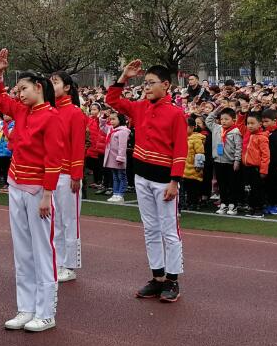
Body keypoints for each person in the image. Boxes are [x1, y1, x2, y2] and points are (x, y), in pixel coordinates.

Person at [0, 48, 65, 332]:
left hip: (37, 190)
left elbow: (53, 158)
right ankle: (26, 307)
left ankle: (46, 312)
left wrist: (47, 194)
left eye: (23, 88)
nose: (18, 94)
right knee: (22, 250)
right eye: (17, 89)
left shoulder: (51, 116)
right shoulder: (21, 111)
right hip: (16, 185)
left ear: (38, 87)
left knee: (43, 249)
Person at [106, 59, 188, 303]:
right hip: (141, 177)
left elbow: (181, 150)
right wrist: (124, 76)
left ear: (166, 85)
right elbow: (113, 100)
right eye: (145, 83)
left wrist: (175, 181)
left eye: (151, 83)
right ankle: (157, 277)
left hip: (164, 181)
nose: (146, 87)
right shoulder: (140, 107)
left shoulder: (176, 114)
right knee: (150, 230)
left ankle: (172, 280)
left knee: (169, 231)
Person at [50, 70, 87, 281]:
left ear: (66, 87)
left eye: (55, 82)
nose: (50, 85)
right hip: (52, 174)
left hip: (67, 175)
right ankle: (57, 261)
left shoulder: (74, 112)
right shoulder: (51, 110)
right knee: (54, 221)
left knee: (69, 221)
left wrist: (76, 174)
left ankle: (70, 265)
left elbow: (78, 146)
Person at [206, 107, 242, 215]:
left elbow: (238, 147)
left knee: (231, 184)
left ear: (233, 120)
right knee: (221, 184)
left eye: (226, 119)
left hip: (230, 162)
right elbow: (208, 121)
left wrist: (237, 160)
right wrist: (215, 111)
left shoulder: (235, 132)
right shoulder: (217, 128)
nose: (224, 121)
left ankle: (233, 204)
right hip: (218, 160)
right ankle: (224, 203)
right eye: (222, 119)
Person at [103, 113, 130, 202]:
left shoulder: (123, 131)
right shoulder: (111, 129)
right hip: (112, 158)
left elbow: (122, 146)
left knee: (121, 176)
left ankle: (120, 194)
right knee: (115, 176)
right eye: (110, 119)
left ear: (120, 120)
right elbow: (102, 127)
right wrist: (104, 118)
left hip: (118, 158)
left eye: (114, 119)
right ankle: (115, 193)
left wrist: (120, 157)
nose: (112, 121)